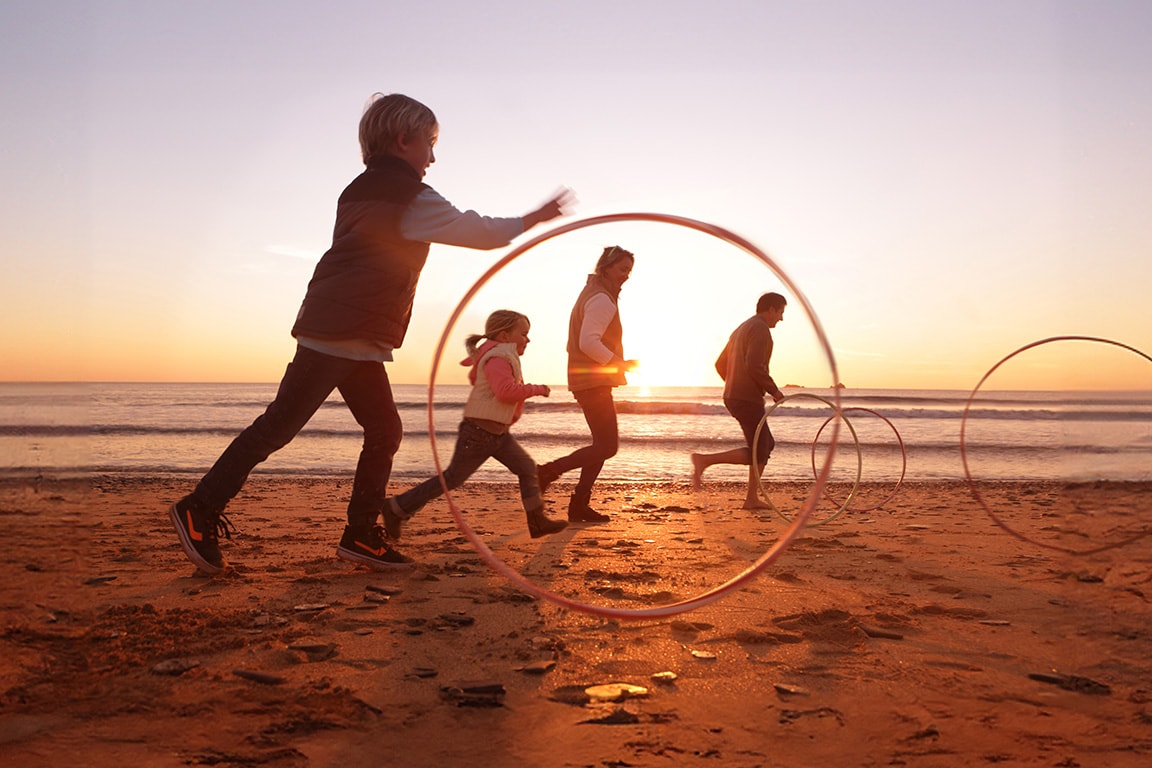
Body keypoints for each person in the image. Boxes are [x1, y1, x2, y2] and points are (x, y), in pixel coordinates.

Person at [168, 93, 573, 575]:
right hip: (343, 331)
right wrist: (537, 217)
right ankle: (201, 506)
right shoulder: (408, 195)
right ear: (404, 141)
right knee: (280, 427)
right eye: (430, 143)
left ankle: (360, 533)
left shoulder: (359, 189)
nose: (433, 156)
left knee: (381, 430)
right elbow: (480, 233)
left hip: (348, 332)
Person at [382, 310, 567, 539]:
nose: (528, 339)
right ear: (504, 335)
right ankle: (395, 508)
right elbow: (504, 392)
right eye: (524, 334)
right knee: (452, 479)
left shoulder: (499, 355)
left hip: (497, 432)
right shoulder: (498, 358)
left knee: (527, 468)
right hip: (479, 433)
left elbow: (482, 382)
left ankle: (537, 521)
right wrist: (536, 389)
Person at [535, 246, 637, 523]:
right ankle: (547, 472)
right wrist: (618, 362)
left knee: (601, 444)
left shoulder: (592, 292)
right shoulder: (602, 299)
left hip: (587, 380)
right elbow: (588, 342)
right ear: (606, 268)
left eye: (629, 271)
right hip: (592, 380)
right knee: (608, 446)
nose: (626, 276)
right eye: (622, 269)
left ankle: (579, 506)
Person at [691, 292, 788, 510]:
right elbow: (755, 366)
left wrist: (734, 383)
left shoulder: (742, 328)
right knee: (760, 449)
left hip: (735, 396)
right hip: (746, 398)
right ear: (770, 309)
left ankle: (749, 495)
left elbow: (719, 364)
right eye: (780, 312)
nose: (781, 318)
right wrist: (773, 390)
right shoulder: (761, 329)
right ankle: (706, 463)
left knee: (765, 445)